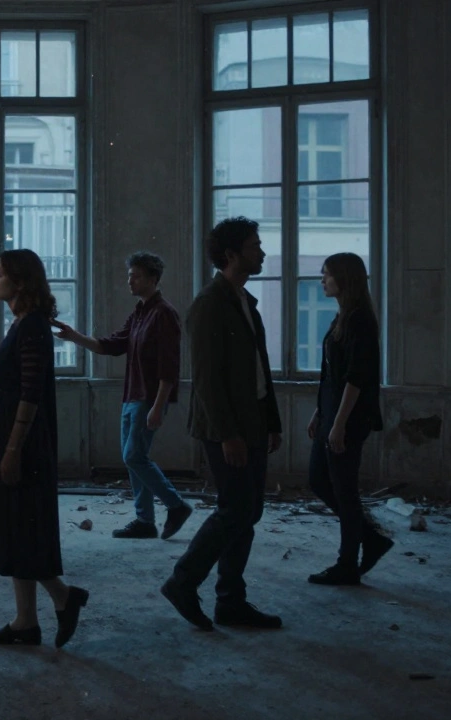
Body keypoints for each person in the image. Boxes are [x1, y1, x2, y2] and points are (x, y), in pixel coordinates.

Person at [159, 217, 284, 631]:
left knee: (248, 512)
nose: (262, 252)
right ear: (231, 255)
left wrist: (272, 421)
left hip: (252, 422)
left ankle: (230, 601)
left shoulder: (245, 301)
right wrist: (229, 434)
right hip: (225, 428)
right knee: (236, 510)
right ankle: (183, 581)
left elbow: (259, 370)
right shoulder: (210, 303)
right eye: (254, 245)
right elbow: (207, 380)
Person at [0, 249, 89, 648]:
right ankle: (29, 619)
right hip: (12, 432)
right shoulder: (23, 322)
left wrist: (12, 448)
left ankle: (58, 599)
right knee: (15, 526)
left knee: (22, 526)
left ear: (20, 282)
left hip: (23, 438)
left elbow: (32, 392)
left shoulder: (33, 326)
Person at [53, 251, 190, 540]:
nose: (130, 280)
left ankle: (176, 505)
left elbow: (170, 367)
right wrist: (74, 336)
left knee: (134, 456)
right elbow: (111, 345)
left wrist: (158, 406)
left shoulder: (164, 314)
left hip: (148, 398)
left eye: (136, 276)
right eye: (129, 275)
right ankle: (144, 521)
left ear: (153, 279)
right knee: (133, 459)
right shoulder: (141, 312)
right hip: (132, 396)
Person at [306, 252, 392, 585]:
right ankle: (371, 539)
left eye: (326, 274)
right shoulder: (343, 316)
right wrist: (320, 412)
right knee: (318, 479)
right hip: (332, 414)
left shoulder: (359, 320)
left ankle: (347, 564)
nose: (322, 280)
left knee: (344, 490)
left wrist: (339, 423)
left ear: (345, 277)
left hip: (349, 419)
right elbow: (334, 375)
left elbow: (357, 378)